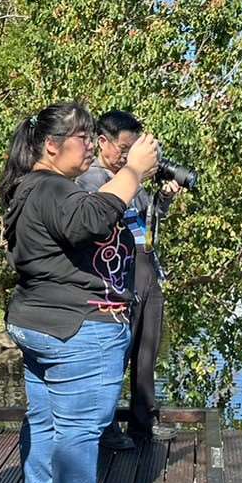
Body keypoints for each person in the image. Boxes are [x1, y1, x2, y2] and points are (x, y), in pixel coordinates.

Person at [0, 102, 160, 483]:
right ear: (51, 146)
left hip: (40, 322)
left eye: (93, 137)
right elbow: (91, 219)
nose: (91, 145)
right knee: (79, 429)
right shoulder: (52, 189)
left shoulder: (31, 187)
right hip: (76, 327)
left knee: (46, 418)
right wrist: (133, 172)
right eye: (83, 138)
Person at [77, 110, 182, 449]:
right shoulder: (92, 178)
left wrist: (163, 197)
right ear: (102, 142)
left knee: (146, 348)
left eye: (133, 148)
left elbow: (148, 218)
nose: (127, 155)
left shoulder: (130, 177)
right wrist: (133, 173)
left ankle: (143, 422)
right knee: (115, 351)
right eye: (123, 148)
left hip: (148, 265)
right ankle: (105, 428)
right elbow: (100, 219)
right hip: (119, 270)